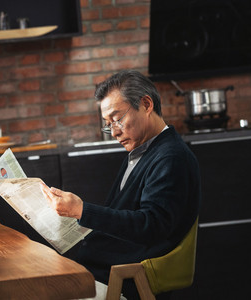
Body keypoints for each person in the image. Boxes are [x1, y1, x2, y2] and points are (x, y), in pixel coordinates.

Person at [40, 70, 201, 300]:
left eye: (117, 119)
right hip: (100, 271)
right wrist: (75, 218)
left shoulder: (171, 157)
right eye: (108, 124)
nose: (114, 132)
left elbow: (151, 226)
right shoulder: (143, 151)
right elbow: (122, 217)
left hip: (124, 280)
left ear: (146, 104)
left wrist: (82, 210)